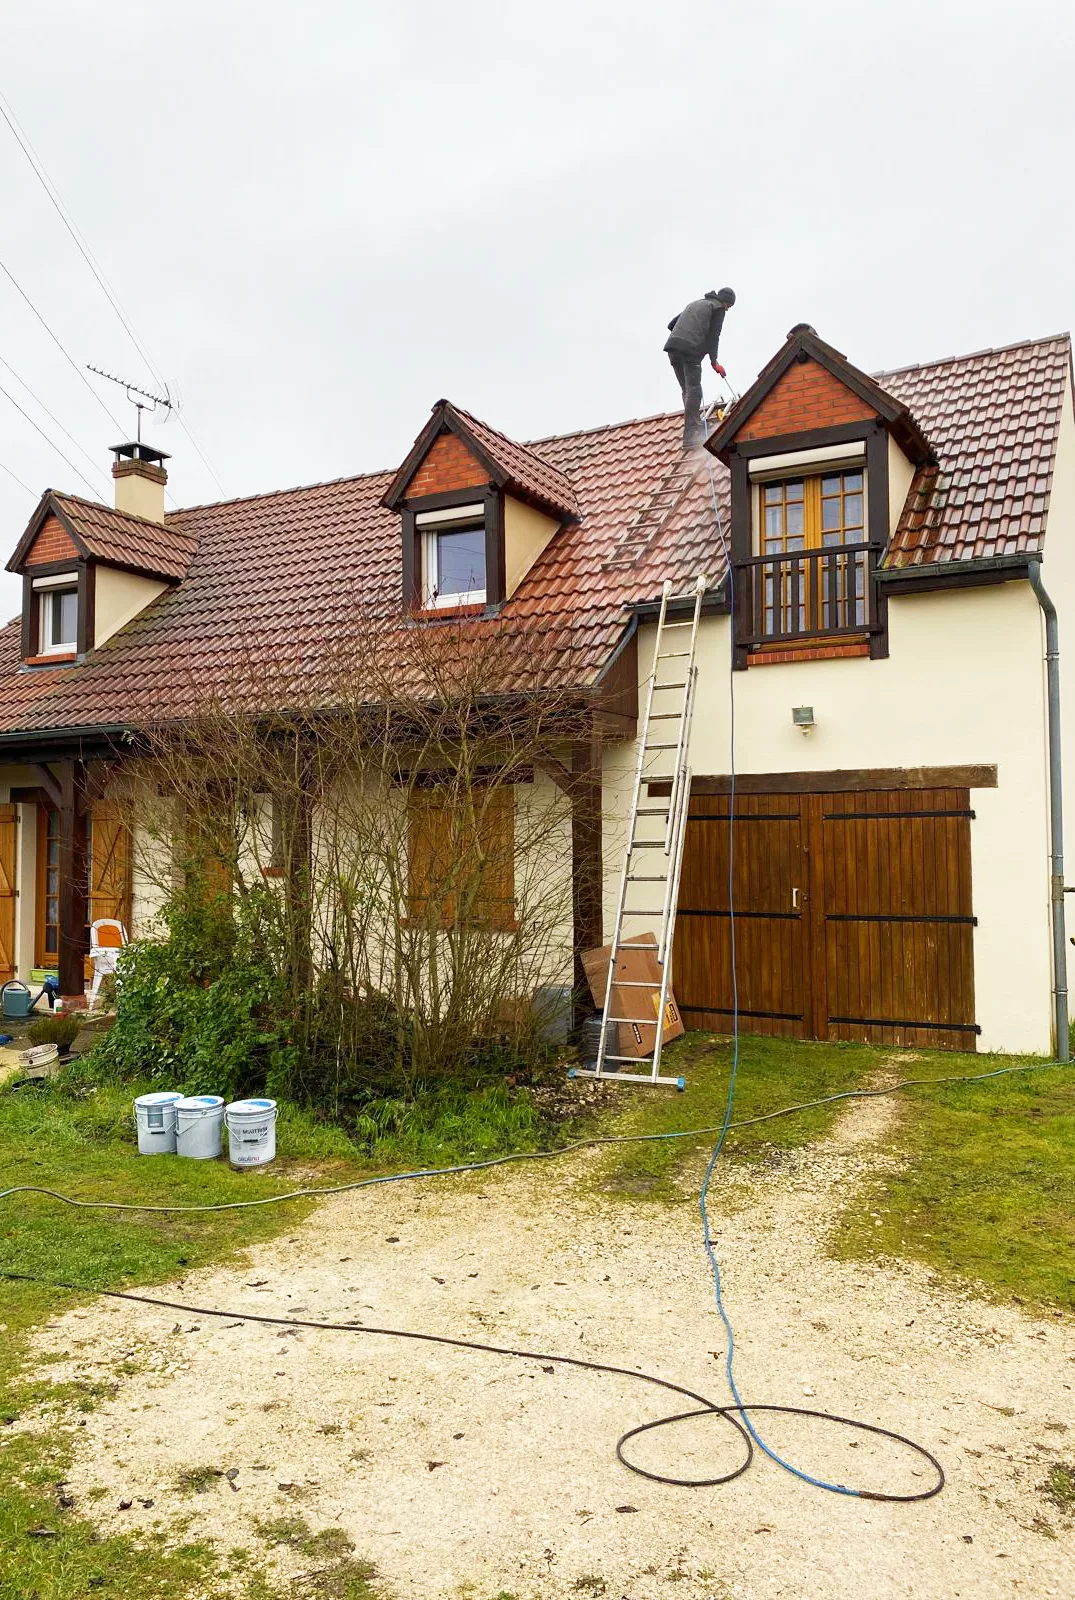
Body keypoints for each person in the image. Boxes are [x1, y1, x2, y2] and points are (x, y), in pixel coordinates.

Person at [665, 287, 736, 448]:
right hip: (690, 350)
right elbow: (714, 336)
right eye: (729, 306)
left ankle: (695, 422)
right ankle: (691, 435)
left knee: (687, 389)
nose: (727, 309)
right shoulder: (718, 309)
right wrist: (714, 362)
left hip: (673, 348)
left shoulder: (696, 303)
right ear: (726, 303)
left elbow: (671, 325)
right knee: (695, 389)